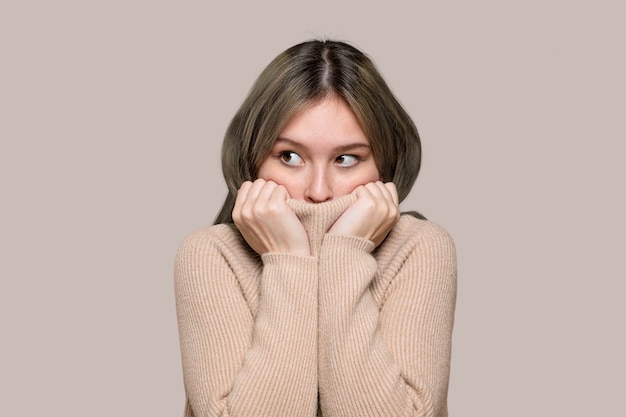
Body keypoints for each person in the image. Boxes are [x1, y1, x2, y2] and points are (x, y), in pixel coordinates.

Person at [174, 39, 457, 417]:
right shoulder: (211, 255)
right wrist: (289, 261)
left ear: (383, 166)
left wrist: (345, 253)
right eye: (289, 157)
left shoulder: (420, 248)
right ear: (253, 159)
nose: (318, 192)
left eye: (346, 159)